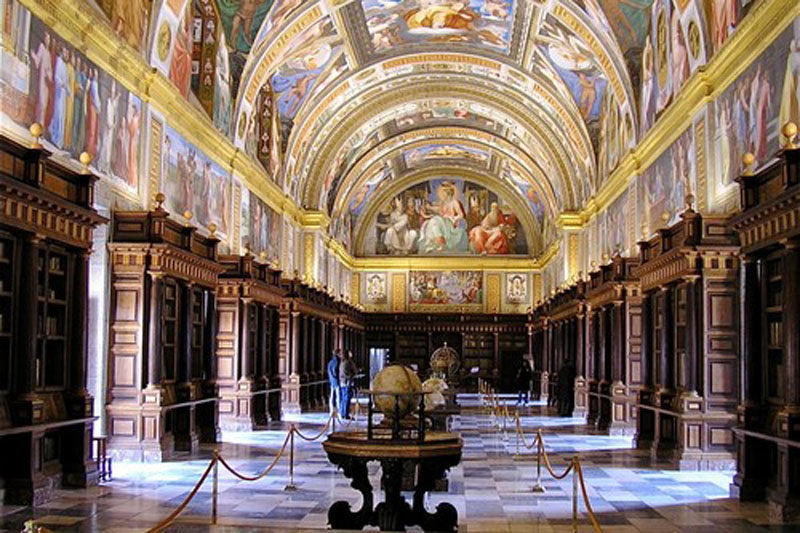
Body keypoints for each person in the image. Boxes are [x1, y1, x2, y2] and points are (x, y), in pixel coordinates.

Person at [339, 350, 357, 420]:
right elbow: (355, 371)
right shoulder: (349, 362)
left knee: (343, 399)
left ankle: (342, 413)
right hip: (348, 382)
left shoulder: (341, 362)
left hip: (342, 383)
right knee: (347, 399)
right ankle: (346, 414)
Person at [327, 349, 341, 414]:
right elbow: (335, 371)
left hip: (331, 381)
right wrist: (338, 377)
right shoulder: (337, 361)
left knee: (332, 396)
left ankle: (331, 410)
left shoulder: (330, 362)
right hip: (336, 381)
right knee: (338, 396)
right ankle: (338, 410)